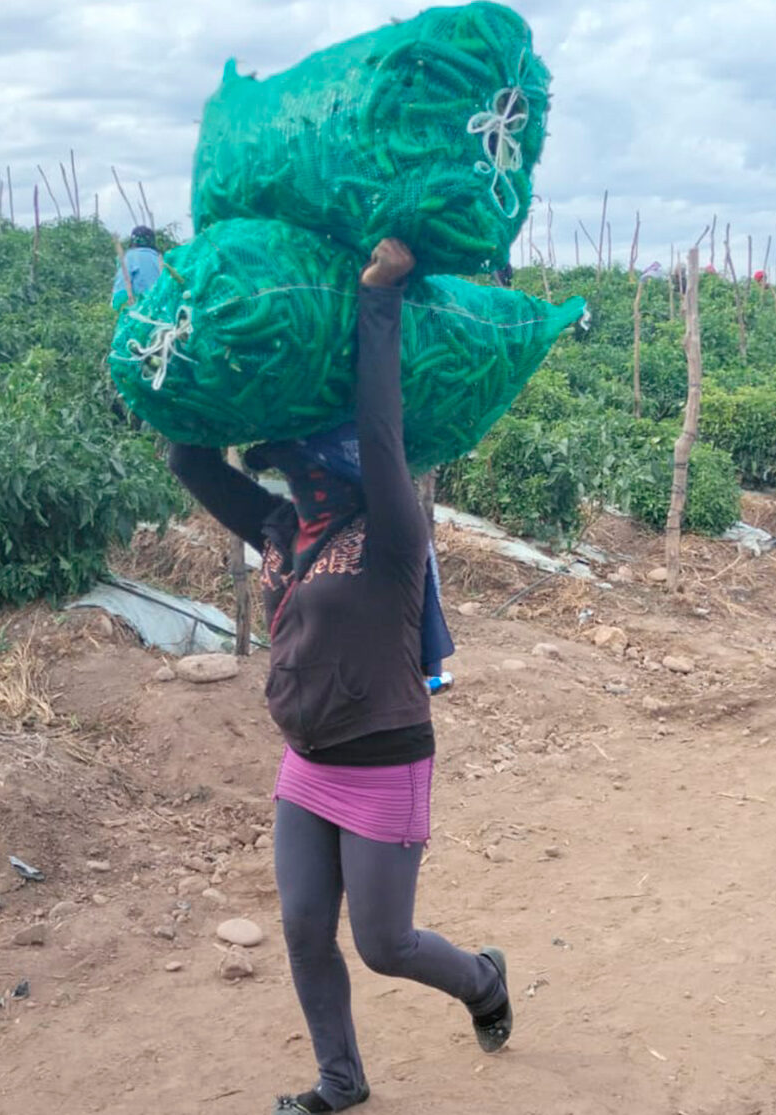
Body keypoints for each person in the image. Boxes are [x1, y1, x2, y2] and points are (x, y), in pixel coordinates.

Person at [168, 239, 511, 1114]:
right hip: (307, 761)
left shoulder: (393, 536)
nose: (297, 475)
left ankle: (480, 980)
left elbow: (381, 422)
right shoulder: (282, 531)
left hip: (384, 757)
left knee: (384, 942)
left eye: (308, 463)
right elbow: (190, 462)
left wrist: (379, 299)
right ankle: (339, 1079)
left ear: (344, 469)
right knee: (299, 926)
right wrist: (176, 351)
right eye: (288, 466)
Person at [111, 225, 162, 309]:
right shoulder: (159, 258)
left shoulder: (130, 257)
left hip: (138, 308)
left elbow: (121, 289)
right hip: (159, 307)